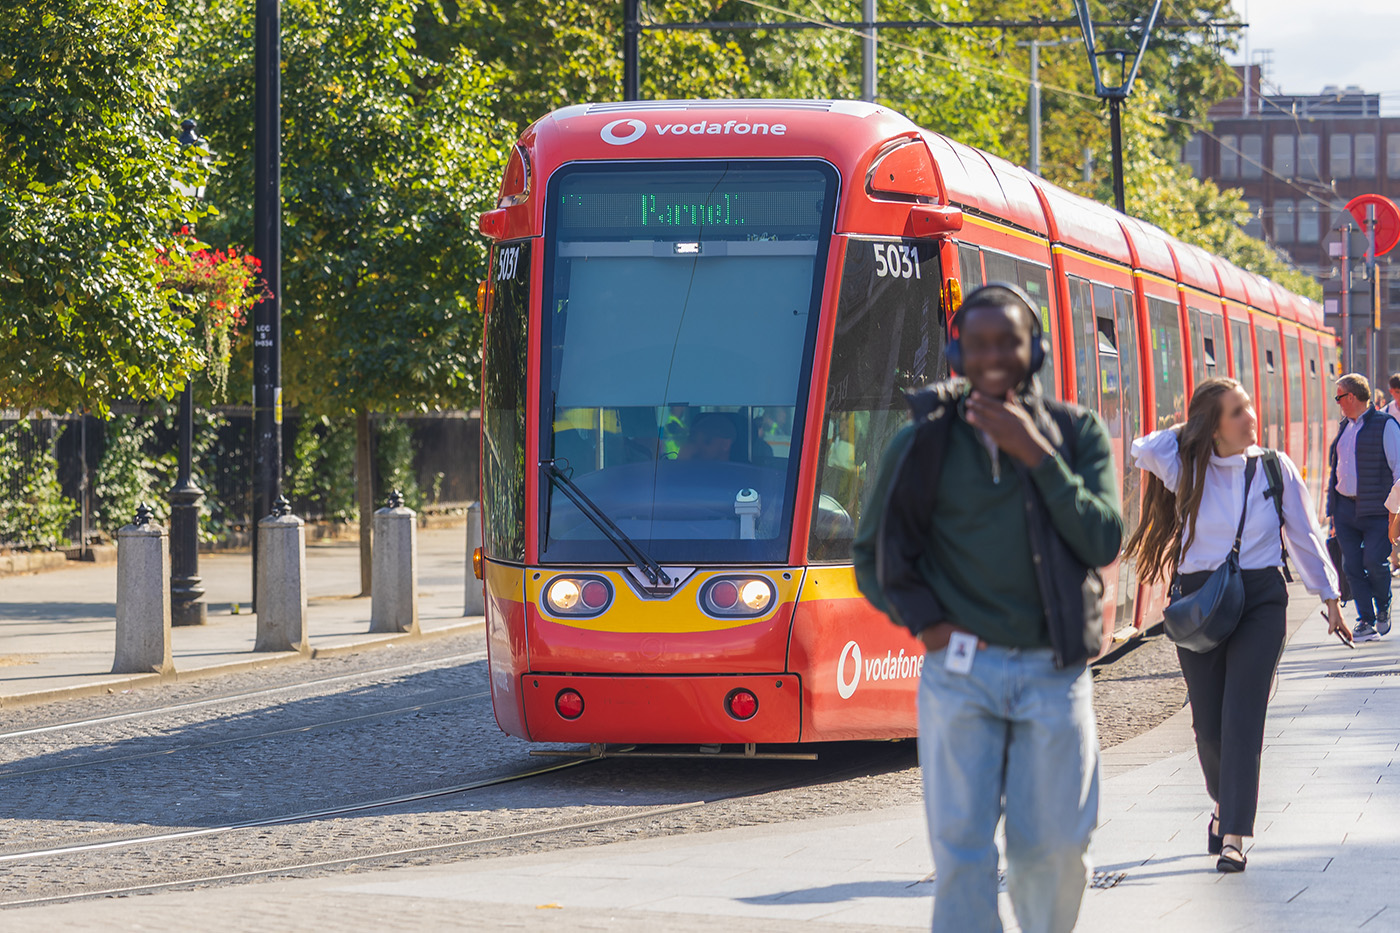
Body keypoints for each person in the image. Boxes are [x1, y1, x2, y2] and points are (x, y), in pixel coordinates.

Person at [853, 283, 1123, 933]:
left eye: (1008, 341)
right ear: (957, 352)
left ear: (1036, 351)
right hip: (960, 674)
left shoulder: (1074, 432)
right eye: (978, 344)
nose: (993, 355)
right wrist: (932, 627)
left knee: (1054, 847)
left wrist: (1038, 455)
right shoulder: (922, 441)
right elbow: (873, 556)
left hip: (1052, 671)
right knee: (961, 853)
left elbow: (1103, 538)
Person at [1127, 377, 1346, 874]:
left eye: (1249, 407)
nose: (1252, 417)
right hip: (1202, 601)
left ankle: (1234, 835)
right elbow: (1144, 446)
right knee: (1208, 724)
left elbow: (1306, 536)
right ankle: (1224, 805)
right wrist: (1193, 430)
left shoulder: (1275, 466)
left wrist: (1329, 597)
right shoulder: (1185, 464)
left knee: (1243, 714)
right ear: (1212, 426)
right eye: (1237, 412)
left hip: (1261, 601)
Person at [1329, 373, 1400, 642]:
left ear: (1352, 397)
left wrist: (1396, 512)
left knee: (1374, 561)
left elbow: (1399, 470)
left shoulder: (1386, 425)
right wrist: (1332, 511)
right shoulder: (1343, 428)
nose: (1338, 403)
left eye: (1339, 397)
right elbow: (1335, 472)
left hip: (1377, 509)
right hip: (1345, 509)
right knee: (1351, 567)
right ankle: (1366, 620)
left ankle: (1383, 607)